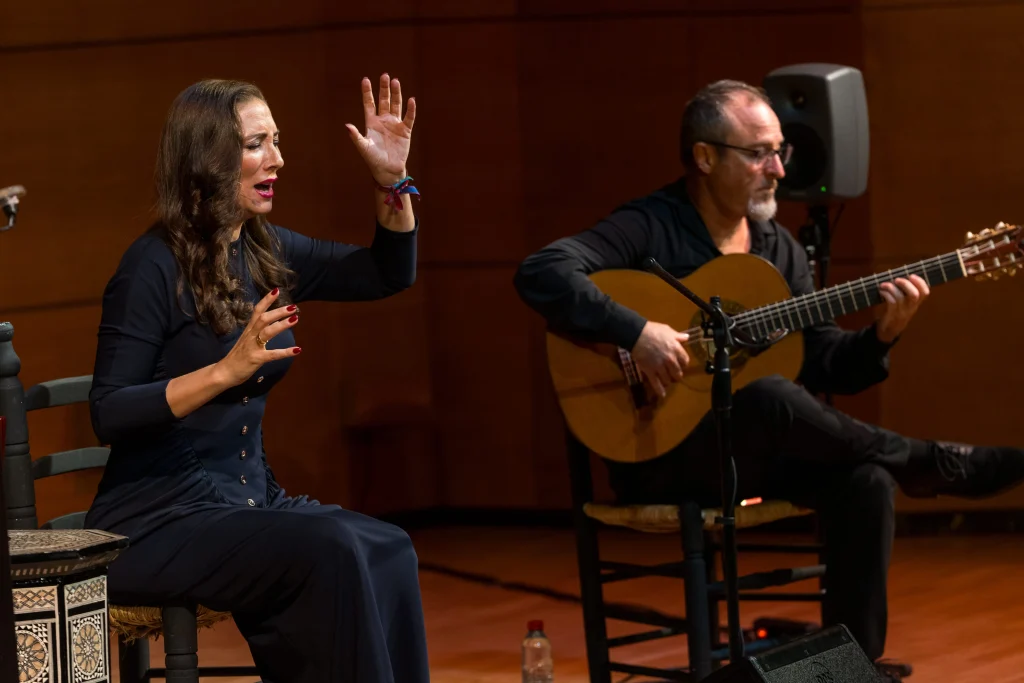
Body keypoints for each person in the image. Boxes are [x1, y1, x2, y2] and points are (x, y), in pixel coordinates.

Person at [512, 79, 1024, 680]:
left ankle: (846, 667)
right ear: (705, 157)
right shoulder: (652, 225)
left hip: (748, 456)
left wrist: (884, 333)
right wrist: (636, 332)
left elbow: (827, 359)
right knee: (773, 399)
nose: (778, 168)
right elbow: (542, 271)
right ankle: (928, 460)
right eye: (758, 153)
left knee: (867, 480)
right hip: (659, 453)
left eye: (779, 151)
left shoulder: (779, 246)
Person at [84, 74, 428, 683]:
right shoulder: (150, 266)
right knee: (329, 550)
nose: (278, 160)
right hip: (156, 520)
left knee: (391, 547)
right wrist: (223, 372)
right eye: (256, 144)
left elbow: (385, 273)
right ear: (208, 159)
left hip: (245, 502)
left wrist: (389, 183)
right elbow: (109, 411)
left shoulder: (265, 249)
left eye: (277, 141)